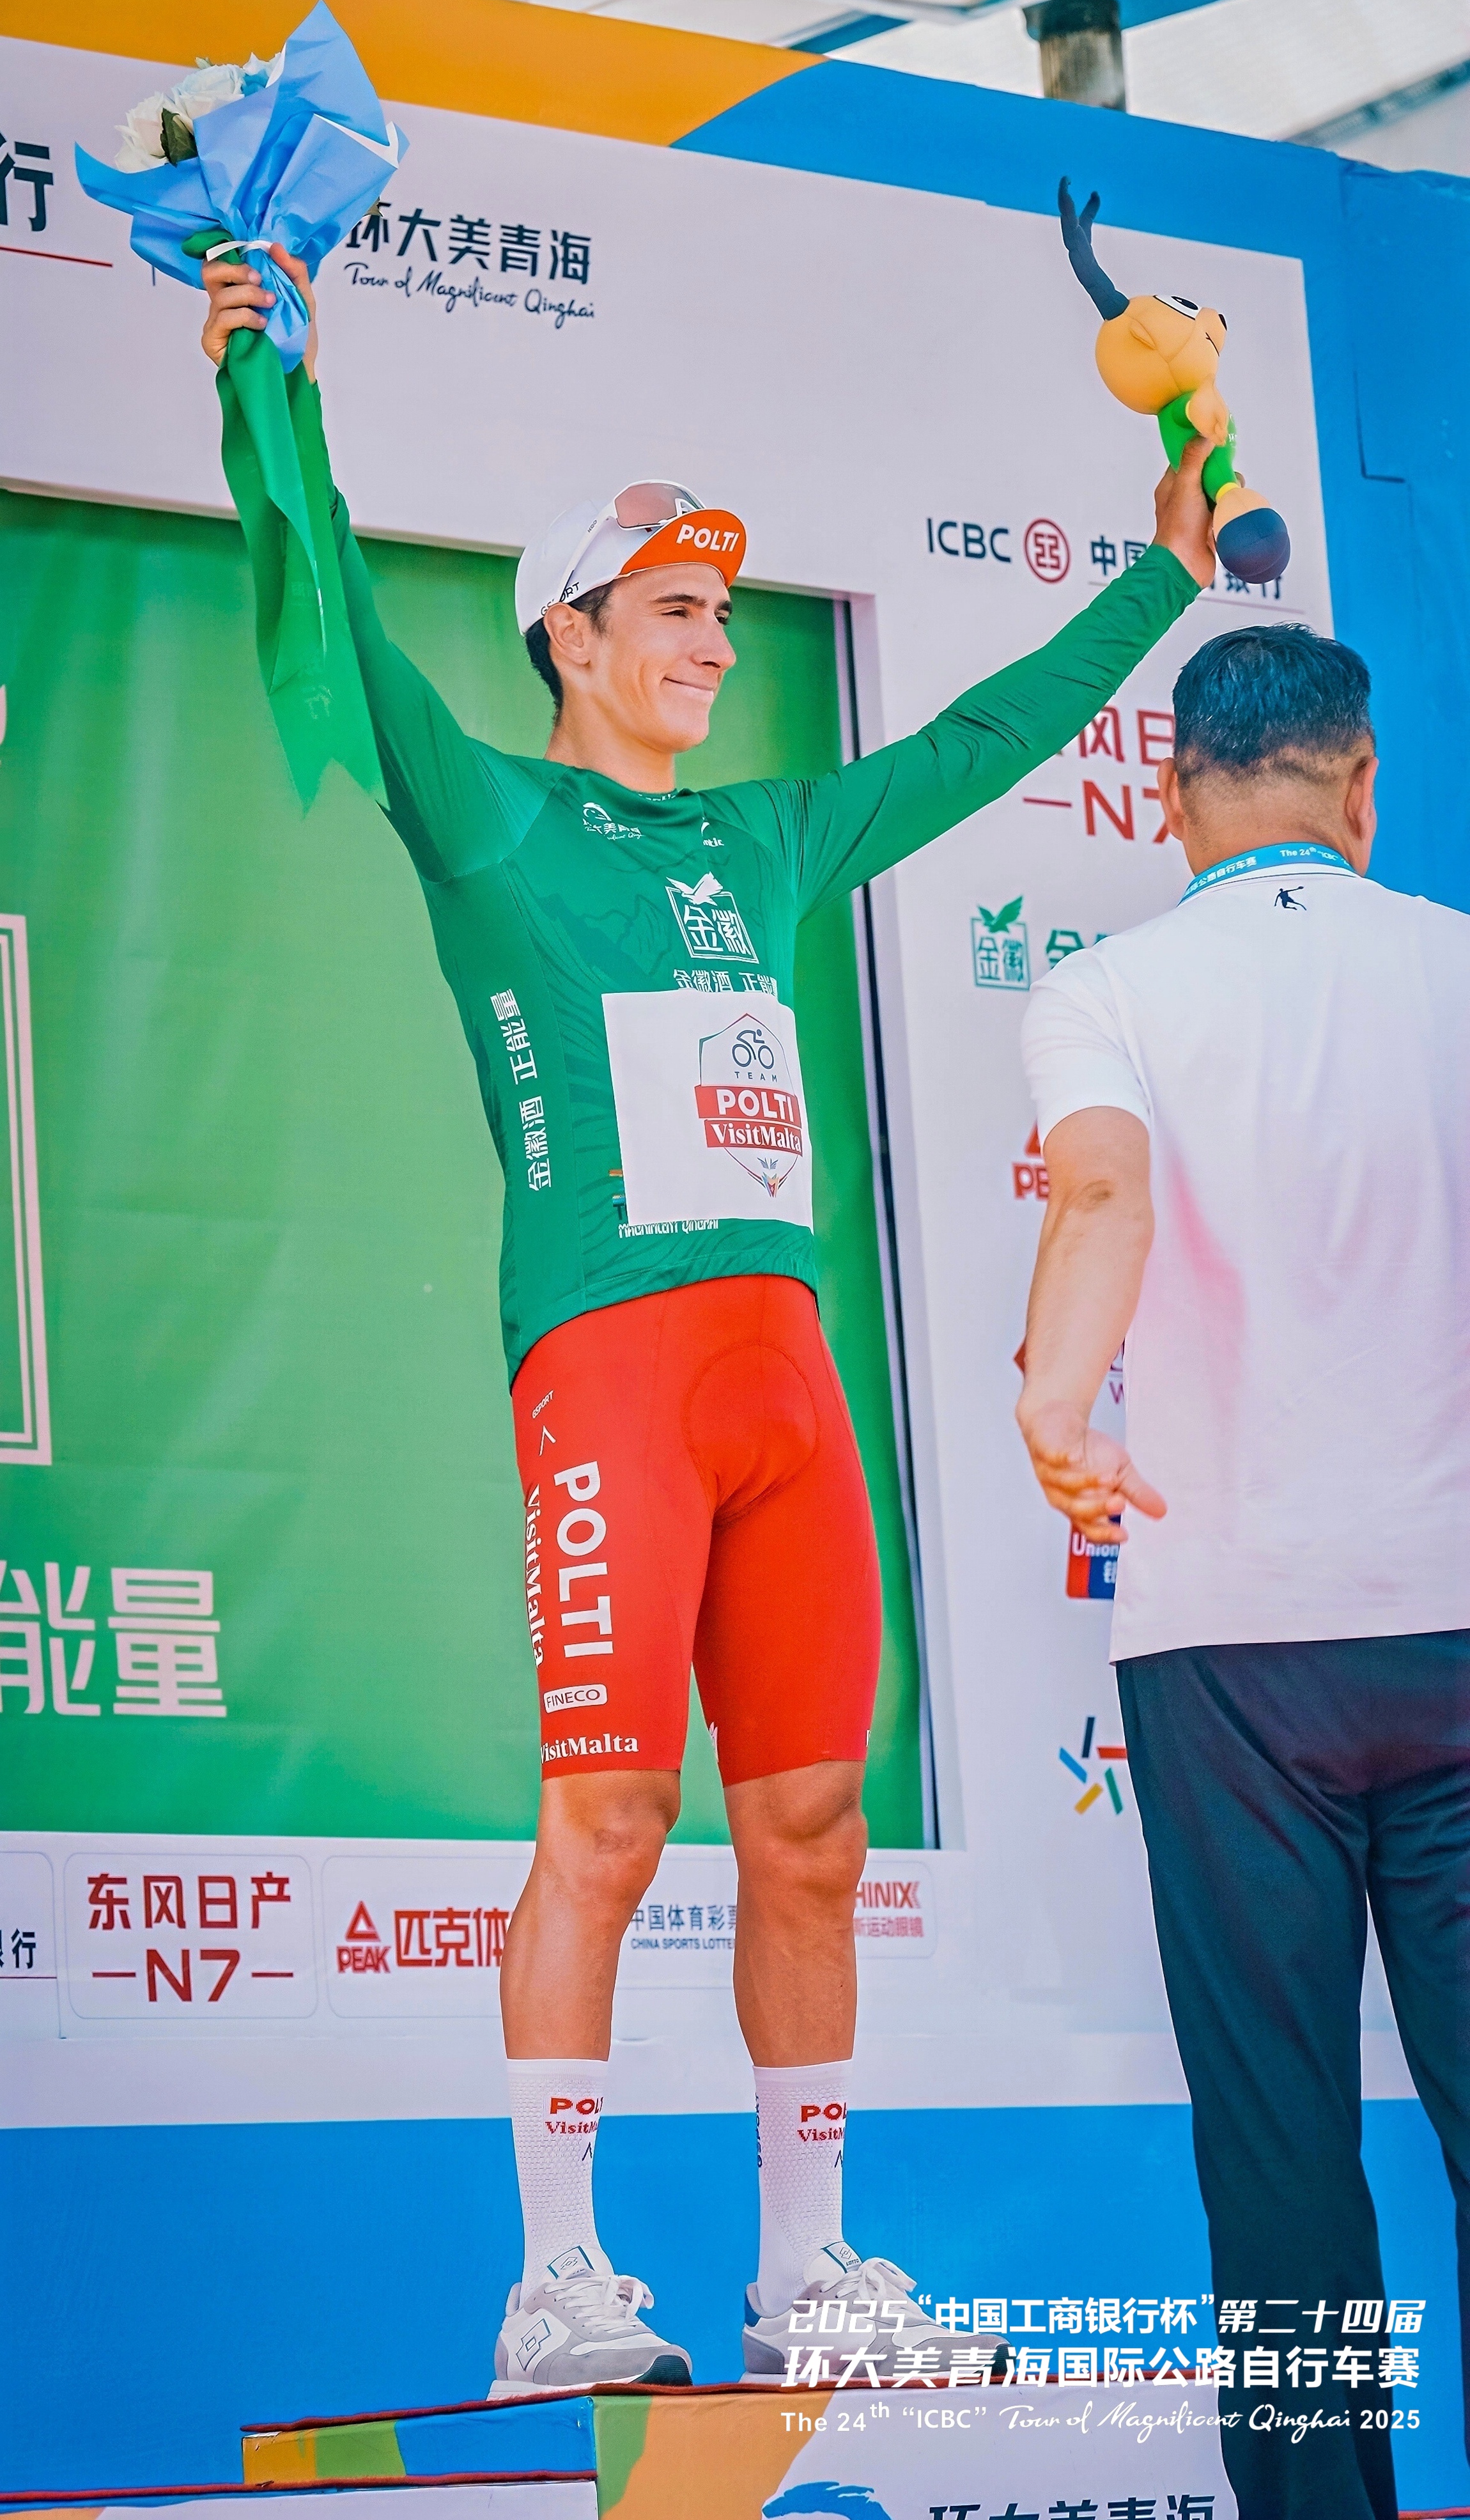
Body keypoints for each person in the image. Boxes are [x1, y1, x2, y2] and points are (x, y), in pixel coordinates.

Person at [200, 240, 1214, 2395]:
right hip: (610, 1368)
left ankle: (802, 2268)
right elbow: (345, 616)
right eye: (670, 609)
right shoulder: (488, 811)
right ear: (568, 637)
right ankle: (554, 2281)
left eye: (722, 615)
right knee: (603, 1820)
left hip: (786, 1382)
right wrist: (271, 383)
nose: (710, 643)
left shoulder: (769, 834)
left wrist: (1160, 574)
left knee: (809, 1833)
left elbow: (981, 741)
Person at [1014, 621, 1469, 2520]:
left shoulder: (1104, 990)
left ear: (1168, 794)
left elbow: (1101, 1191)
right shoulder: (1456, 962)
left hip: (1226, 1656)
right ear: (1361, 786)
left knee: (1277, 2151)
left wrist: (1055, 1403)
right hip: (1457, 1624)